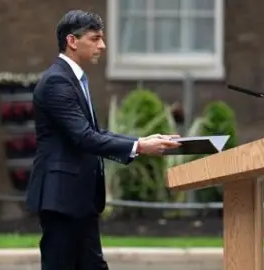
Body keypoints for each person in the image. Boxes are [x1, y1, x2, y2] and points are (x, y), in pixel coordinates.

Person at [25, 10, 181, 270]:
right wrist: (140, 147)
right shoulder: (56, 82)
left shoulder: (73, 80)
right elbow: (84, 137)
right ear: (72, 41)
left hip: (79, 198)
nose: (103, 46)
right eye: (95, 38)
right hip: (62, 197)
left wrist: (141, 140)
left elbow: (95, 131)